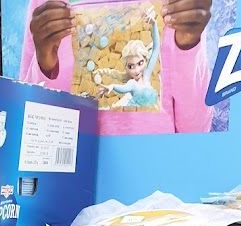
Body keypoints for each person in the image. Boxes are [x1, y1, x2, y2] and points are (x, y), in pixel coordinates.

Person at [20, 0, 213, 134]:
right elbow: (28, 127)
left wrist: (188, 43)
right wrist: (45, 64)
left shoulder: (177, 7)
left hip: (157, 169)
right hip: (73, 170)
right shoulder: (47, 6)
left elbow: (196, 130)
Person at [99, 10, 160, 109]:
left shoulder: (146, 74)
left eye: (140, 63)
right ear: (126, 68)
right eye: (131, 66)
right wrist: (112, 87)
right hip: (136, 114)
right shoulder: (132, 84)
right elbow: (123, 88)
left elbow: (156, 48)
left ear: (145, 60)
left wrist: (154, 24)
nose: (136, 70)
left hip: (151, 112)